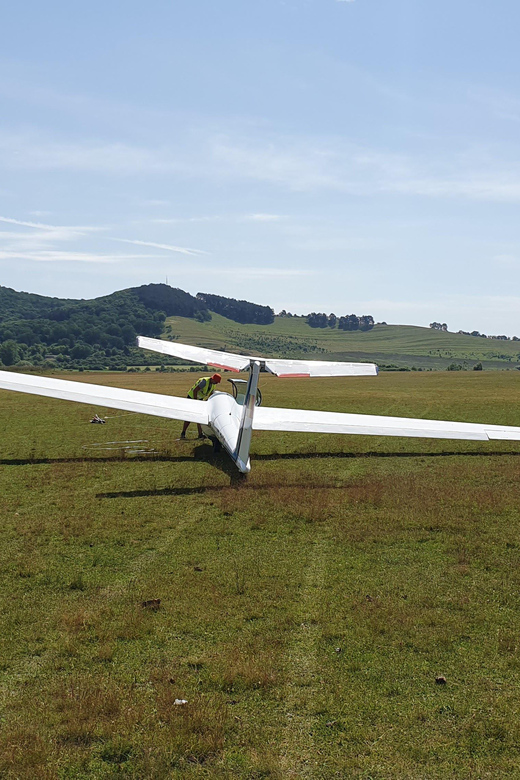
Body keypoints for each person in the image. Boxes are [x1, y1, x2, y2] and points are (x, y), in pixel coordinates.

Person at [180, 373, 222, 439]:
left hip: (199, 399)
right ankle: (183, 433)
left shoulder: (213, 385)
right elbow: (195, 391)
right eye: (216, 382)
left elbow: (210, 394)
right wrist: (195, 402)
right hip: (192, 398)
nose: (216, 383)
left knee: (199, 417)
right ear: (213, 379)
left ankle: (200, 435)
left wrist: (208, 402)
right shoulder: (204, 381)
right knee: (189, 416)